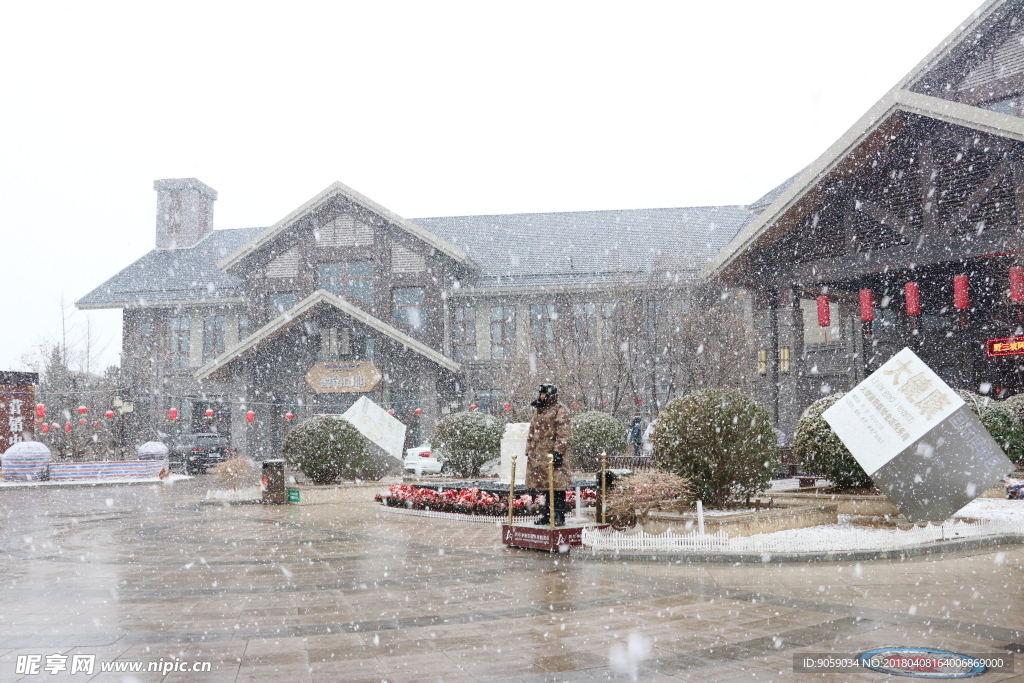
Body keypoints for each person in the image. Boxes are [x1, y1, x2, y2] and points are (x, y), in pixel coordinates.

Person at [525, 383, 573, 526]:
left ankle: (559, 516)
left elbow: (563, 433)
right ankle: (546, 515)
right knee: (545, 488)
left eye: (544, 394)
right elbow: (532, 430)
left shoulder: (560, 409)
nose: (541, 397)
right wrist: (529, 449)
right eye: (540, 394)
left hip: (553, 455)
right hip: (540, 456)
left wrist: (558, 452)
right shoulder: (539, 409)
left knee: (557, 488)